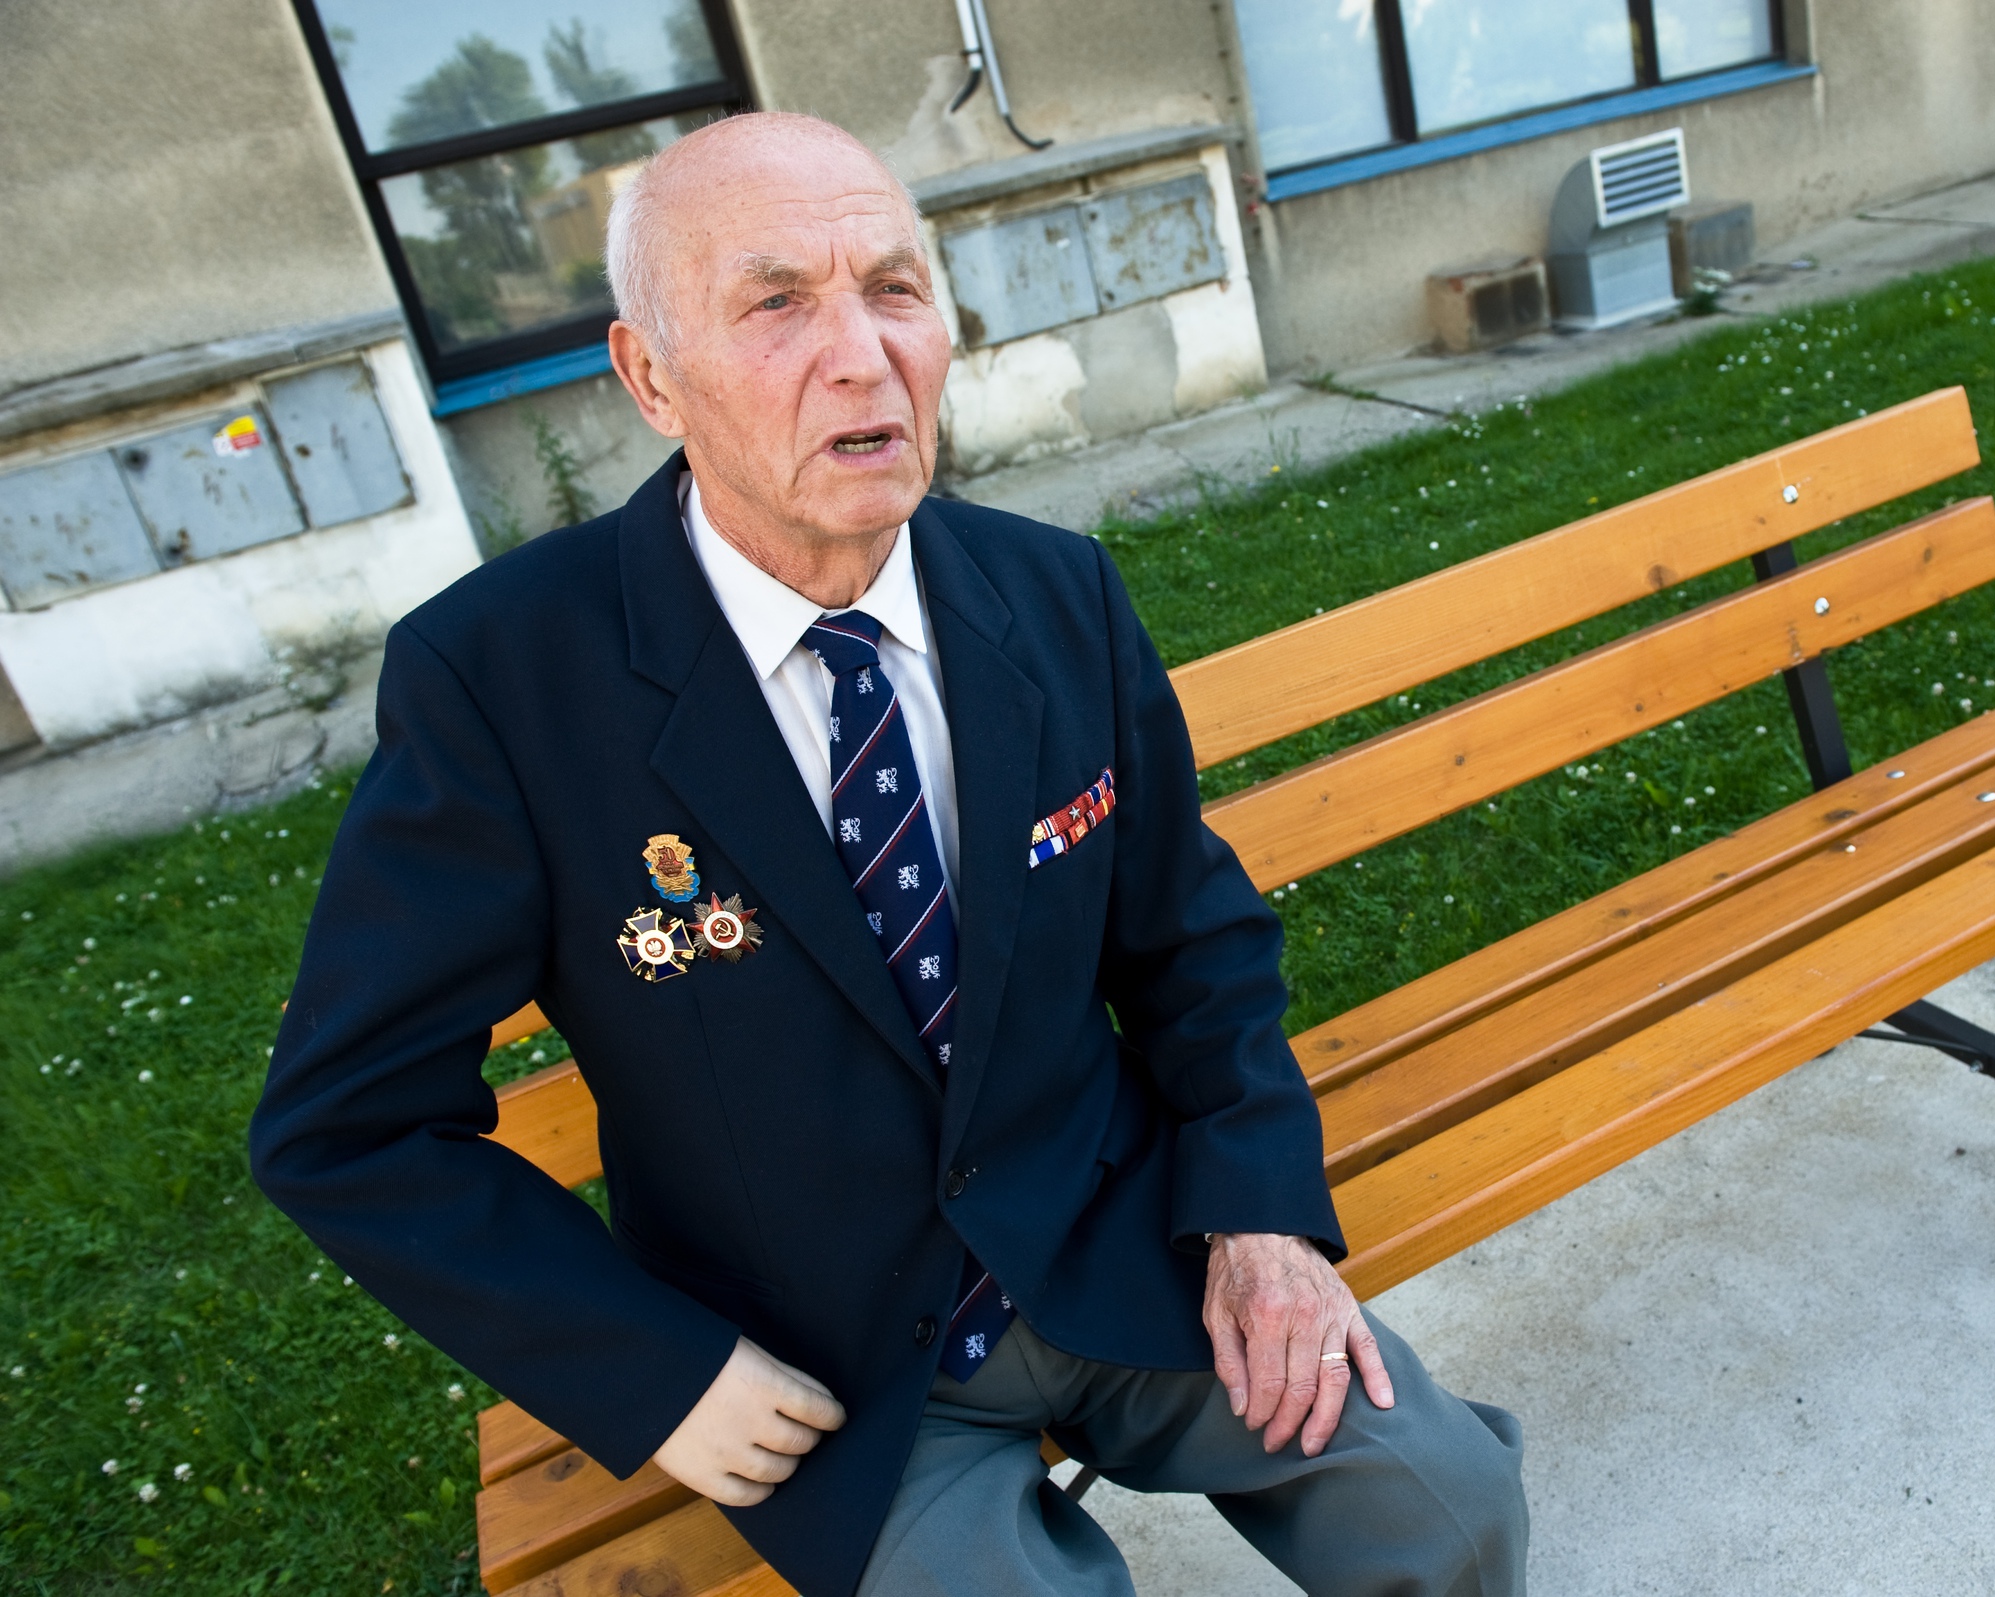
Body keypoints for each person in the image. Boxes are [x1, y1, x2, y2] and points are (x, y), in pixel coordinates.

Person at [250, 111, 1526, 1597]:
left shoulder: (1055, 592)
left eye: (895, 288)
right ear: (651, 378)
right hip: (826, 1366)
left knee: (1451, 1511)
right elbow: (348, 1124)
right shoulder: (504, 680)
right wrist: (661, 1372)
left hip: (1116, 1243)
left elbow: (1195, 939)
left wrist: (1256, 1210)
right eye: (777, 302)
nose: (862, 355)